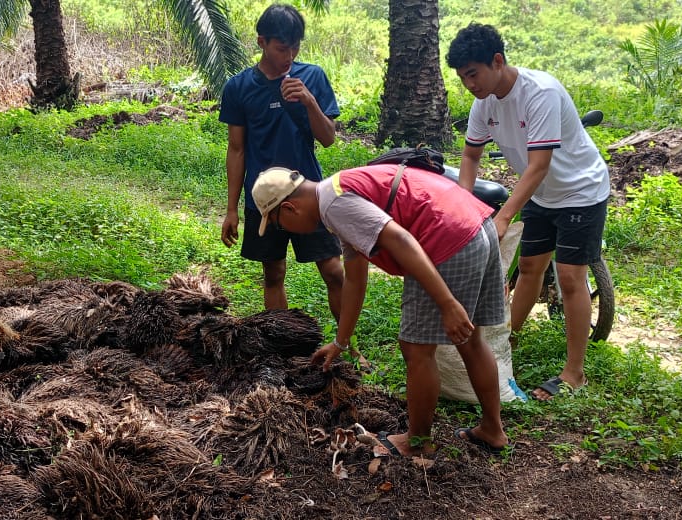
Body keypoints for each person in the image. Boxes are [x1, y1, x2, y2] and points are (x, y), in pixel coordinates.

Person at [252, 164, 511, 457]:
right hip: (477, 224)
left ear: (289, 208)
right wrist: (341, 341)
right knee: (471, 339)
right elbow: (356, 278)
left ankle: (417, 443)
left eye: (277, 223)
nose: (284, 231)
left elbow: (401, 240)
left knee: (416, 348)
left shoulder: (336, 204)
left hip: (448, 237)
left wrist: (447, 303)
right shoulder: (336, 193)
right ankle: (492, 429)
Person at [446, 23, 611, 401]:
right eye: (462, 77)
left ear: (497, 61)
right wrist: (461, 204)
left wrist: (503, 216)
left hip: (580, 191)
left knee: (570, 277)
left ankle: (574, 373)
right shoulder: (483, 103)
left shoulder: (540, 93)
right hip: (541, 194)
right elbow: (471, 154)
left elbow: (538, 165)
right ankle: (509, 343)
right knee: (531, 268)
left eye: (473, 74)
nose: (469, 83)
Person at [218, 4, 361, 364]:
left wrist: (310, 101)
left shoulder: (312, 77)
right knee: (273, 271)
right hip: (264, 201)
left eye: (295, 48)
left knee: (333, 270)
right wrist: (232, 208)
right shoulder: (239, 87)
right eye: (282, 48)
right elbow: (236, 150)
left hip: (310, 195)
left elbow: (328, 139)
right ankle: (281, 351)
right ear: (262, 42)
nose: (290, 56)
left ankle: (348, 347)